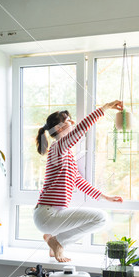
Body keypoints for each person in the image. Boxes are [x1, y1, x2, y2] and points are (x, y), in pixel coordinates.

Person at [34, 100, 124, 262]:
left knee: (98, 217)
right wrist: (105, 108)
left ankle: (51, 241)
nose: (73, 122)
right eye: (68, 120)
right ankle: (57, 242)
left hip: (51, 215)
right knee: (101, 218)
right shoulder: (58, 148)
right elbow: (81, 129)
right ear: (59, 128)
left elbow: (79, 182)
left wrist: (106, 197)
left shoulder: (66, 154)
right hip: (48, 215)